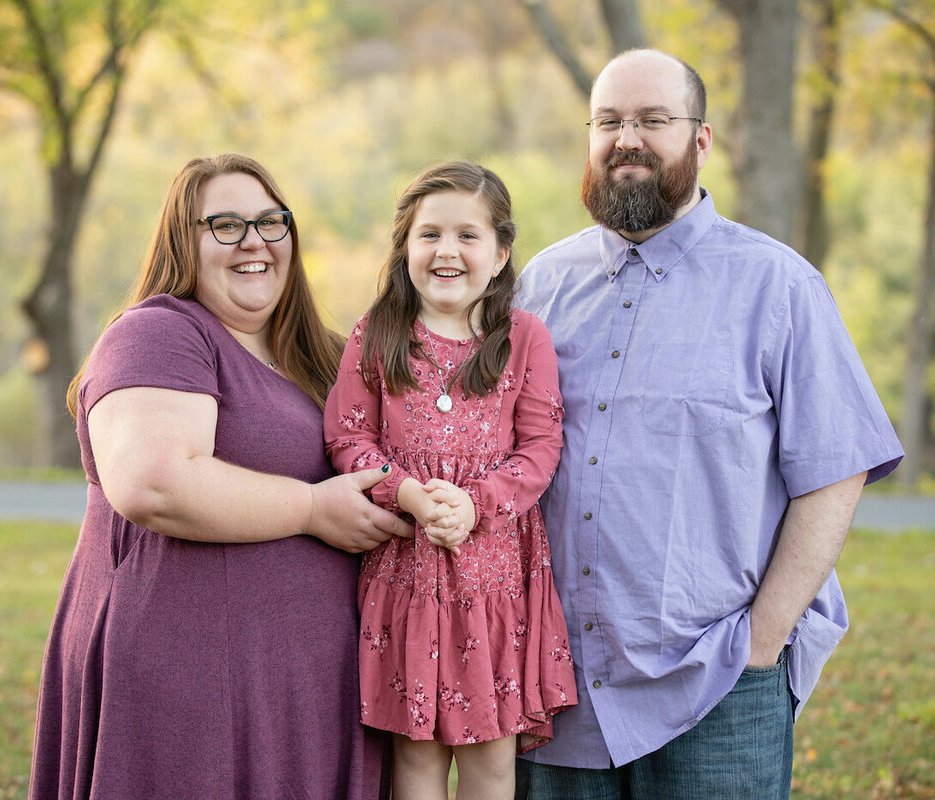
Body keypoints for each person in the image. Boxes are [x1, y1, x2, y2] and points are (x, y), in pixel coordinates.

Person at [514, 50, 905, 799]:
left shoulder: (778, 285)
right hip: (560, 692)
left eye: (654, 120)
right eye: (608, 121)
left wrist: (763, 641)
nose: (627, 137)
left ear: (701, 140)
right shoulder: (540, 285)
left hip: (717, 688)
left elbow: (835, 471)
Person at [28, 153, 412, 800]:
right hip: (193, 694)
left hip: (309, 695)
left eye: (271, 221)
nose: (255, 241)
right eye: (226, 225)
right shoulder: (161, 333)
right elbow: (153, 483)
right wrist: (313, 510)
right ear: (184, 239)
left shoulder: (322, 353)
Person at [324, 161, 577, 800]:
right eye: (429, 234)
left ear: (499, 254)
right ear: (406, 248)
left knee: (492, 758)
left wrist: (477, 503)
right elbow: (348, 437)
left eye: (468, 235)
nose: (447, 250)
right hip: (406, 576)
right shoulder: (377, 335)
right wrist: (404, 492)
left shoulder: (522, 338)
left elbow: (540, 447)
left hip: (494, 580)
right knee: (416, 757)